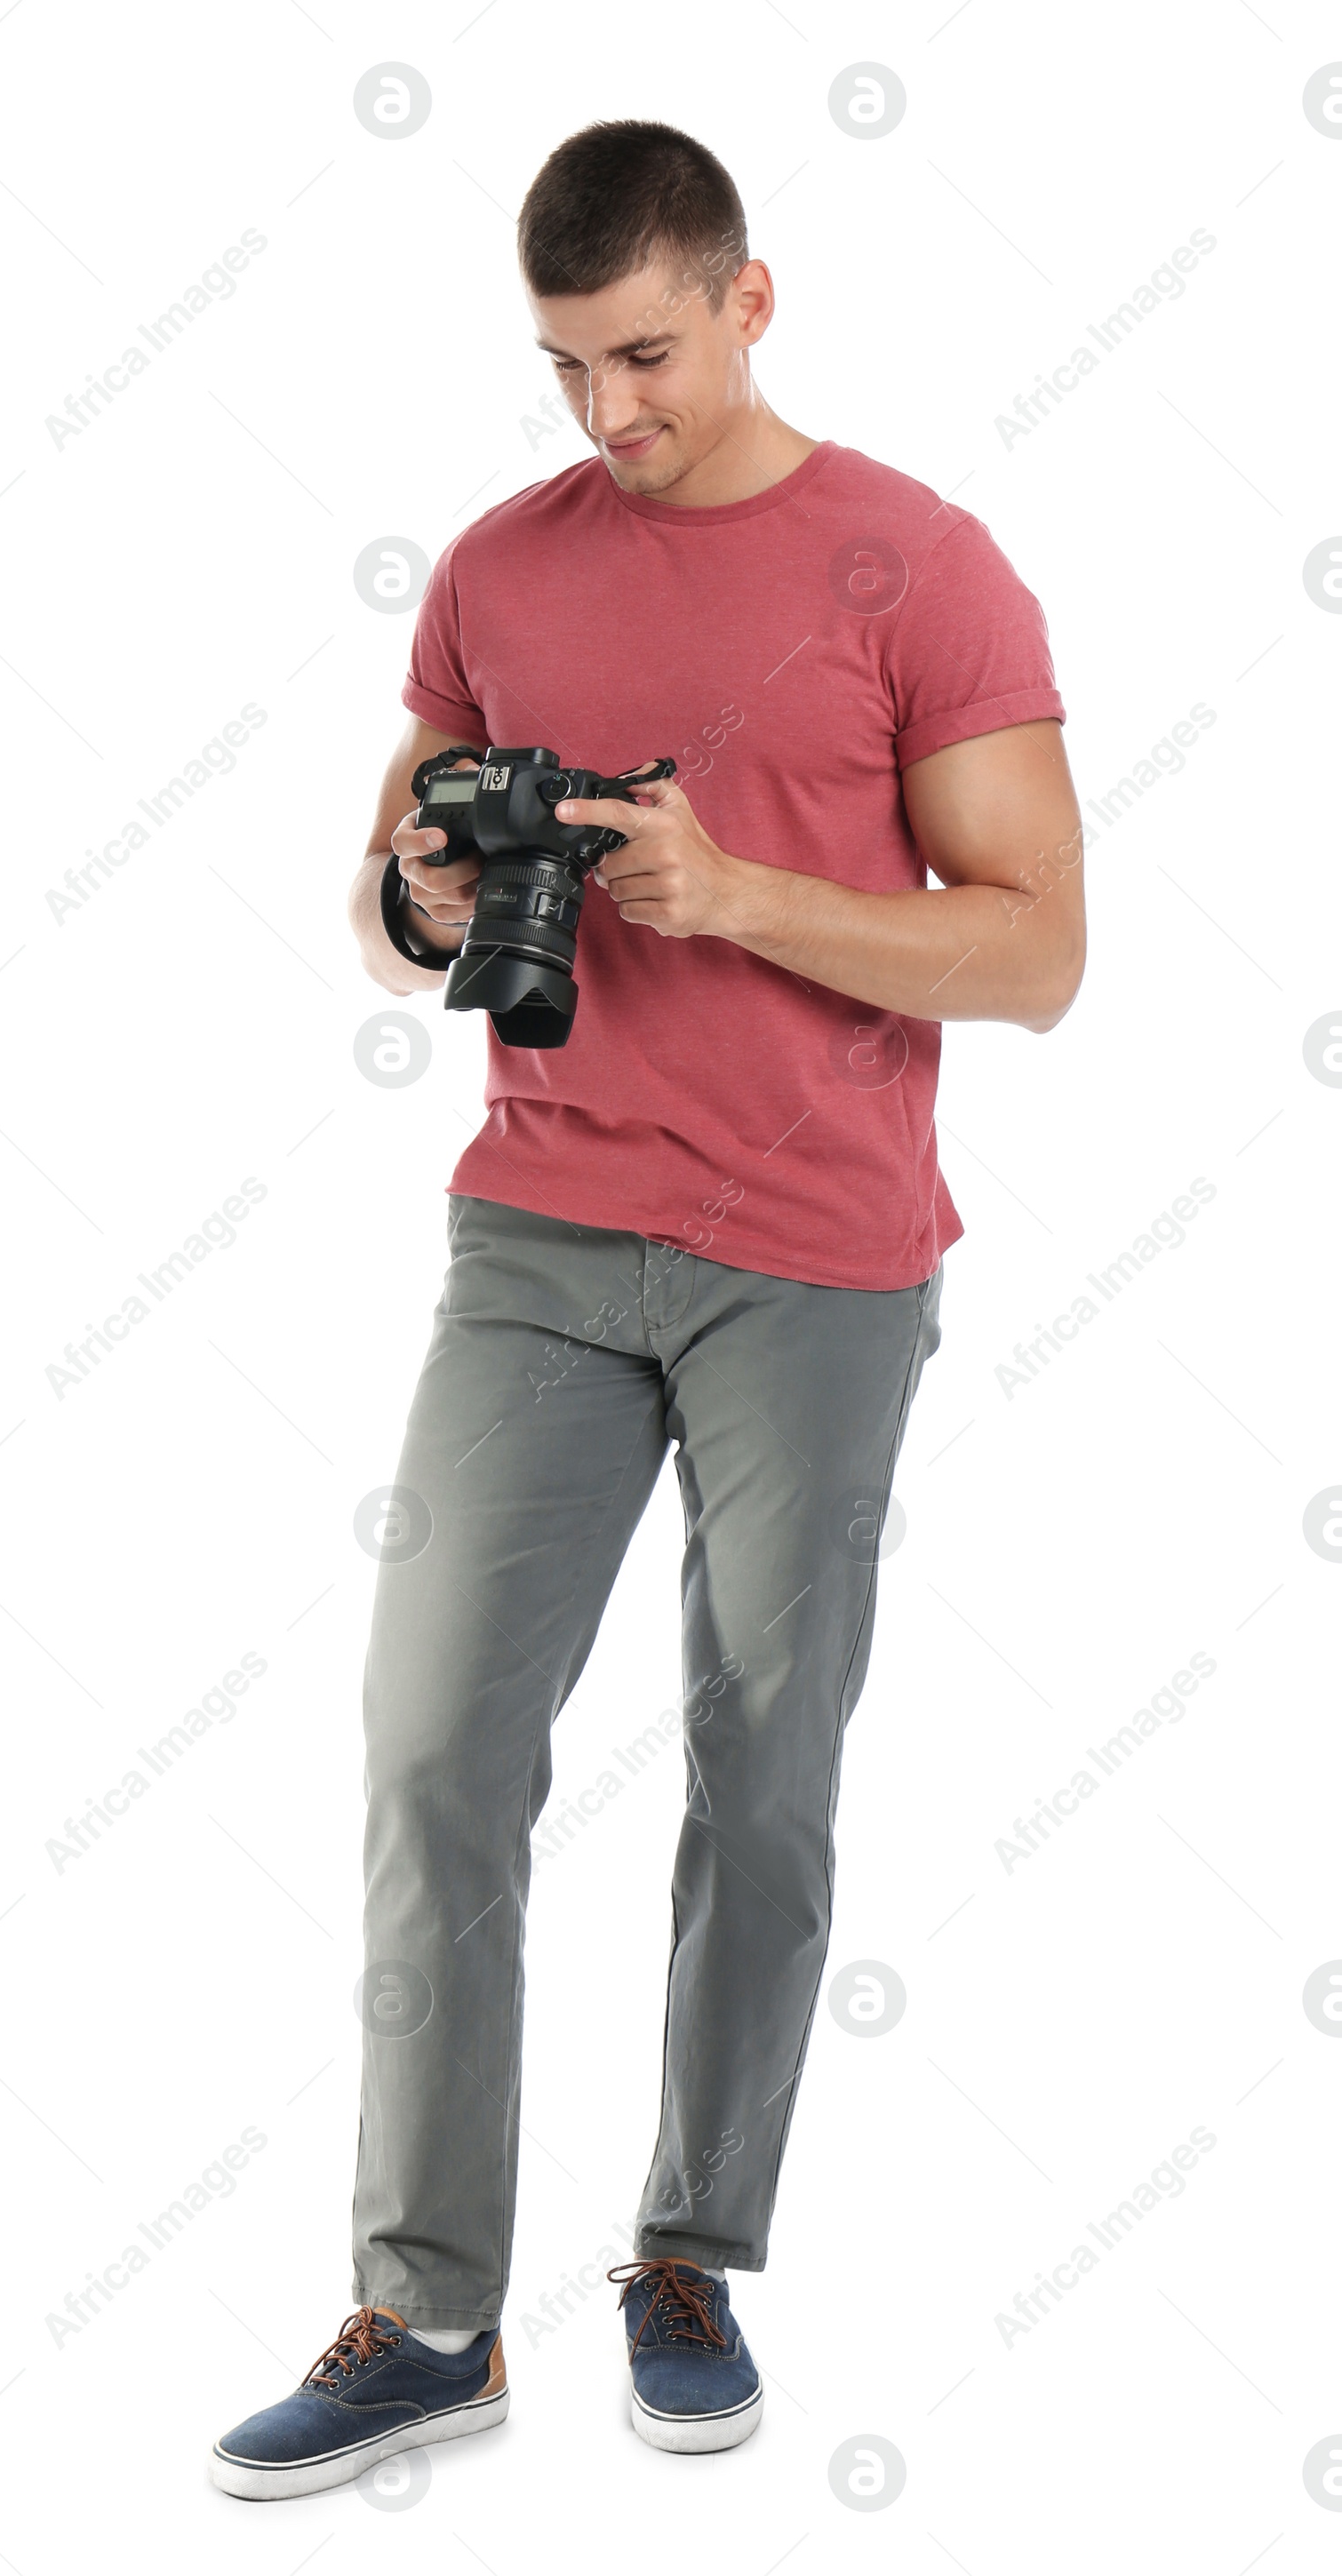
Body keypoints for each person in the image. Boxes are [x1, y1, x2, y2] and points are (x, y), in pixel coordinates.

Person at [211, 116, 1084, 2498]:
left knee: (762, 1767)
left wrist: (740, 892)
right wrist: (410, 883)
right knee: (429, 1746)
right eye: (568, 367)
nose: (610, 413)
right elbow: (397, 893)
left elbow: (1038, 947)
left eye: (649, 355)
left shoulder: (929, 564)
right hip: (543, 1237)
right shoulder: (498, 569)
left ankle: (688, 2248)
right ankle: (425, 2307)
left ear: (754, 301)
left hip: (822, 1256)